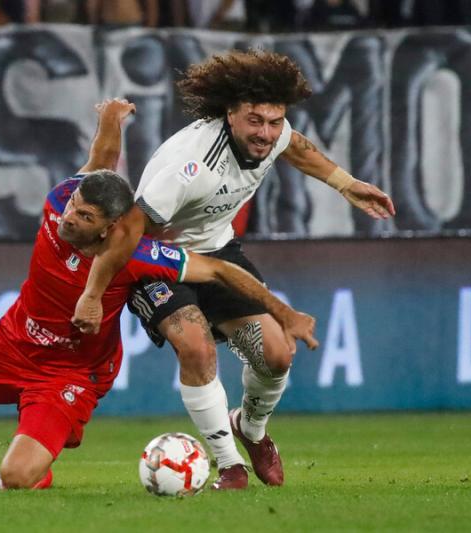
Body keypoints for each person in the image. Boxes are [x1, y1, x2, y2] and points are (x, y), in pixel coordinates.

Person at [0, 98, 318, 491]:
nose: (70, 219)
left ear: (111, 229)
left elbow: (218, 270)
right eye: (75, 208)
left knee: (19, 477)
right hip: (13, 341)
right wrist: (111, 118)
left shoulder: (138, 253)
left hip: (71, 373)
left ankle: (27, 474)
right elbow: (100, 160)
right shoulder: (60, 201)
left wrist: (283, 312)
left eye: (85, 216)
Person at [72, 49, 395, 490]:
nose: (266, 133)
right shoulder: (189, 167)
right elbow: (129, 231)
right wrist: (92, 294)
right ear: (230, 114)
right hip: (158, 261)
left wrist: (347, 185)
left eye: (274, 121)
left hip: (218, 252)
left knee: (277, 355)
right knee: (197, 348)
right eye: (255, 121)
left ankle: (252, 429)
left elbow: (296, 147)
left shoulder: (276, 134)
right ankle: (229, 465)